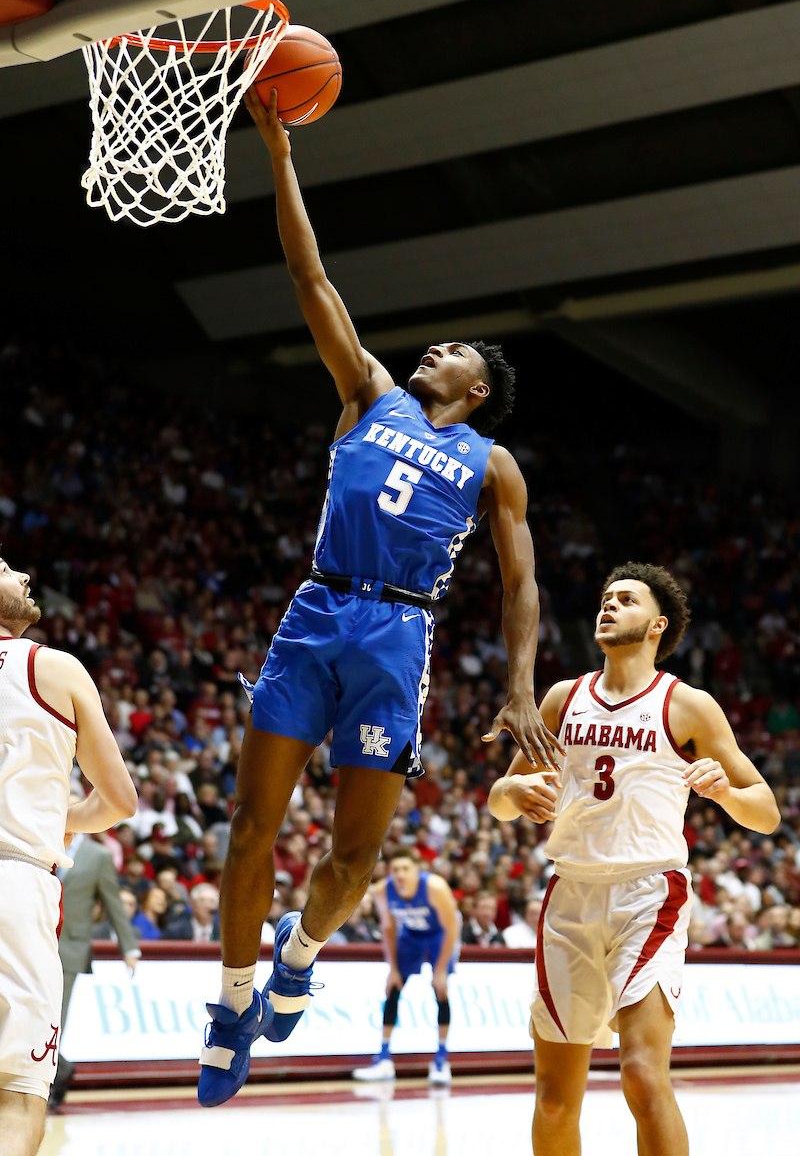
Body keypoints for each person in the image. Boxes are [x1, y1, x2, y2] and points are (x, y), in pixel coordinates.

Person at [196, 86, 563, 1109]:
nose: (431, 349)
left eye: (452, 351)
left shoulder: (492, 465)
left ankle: (301, 953)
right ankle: (232, 1005)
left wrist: (521, 687)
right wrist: (278, 155)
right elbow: (308, 274)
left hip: (399, 635)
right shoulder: (367, 391)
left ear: (476, 389)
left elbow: (522, 581)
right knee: (250, 826)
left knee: (353, 860)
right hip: (317, 611)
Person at [488, 562, 780, 1156]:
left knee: (644, 1077)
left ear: (657, 625)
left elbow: (766, 811)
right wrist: (513, 791)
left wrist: (725, 792)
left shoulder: (688, 705)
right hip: (569, 895)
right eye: (606, 597)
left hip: (649, 894)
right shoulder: (562, 698)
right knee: (554, 1102)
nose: (610, 605)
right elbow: (498, 800)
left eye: (626, 599)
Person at [0, 558, 137, 1156]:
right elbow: (120, 800)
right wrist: (59, 818)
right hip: (14, 883)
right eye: (5, 569)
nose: (24, 576)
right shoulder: (53, 667)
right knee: (18, 1097)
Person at [51, 828, 141, 1110]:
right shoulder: (40, 842)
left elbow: (113, 901)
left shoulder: (98, 855)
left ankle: (49, 1081)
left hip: (70, 947)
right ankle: (61, 1068)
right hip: (33, 942)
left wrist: (129, 948)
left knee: (54, 1021)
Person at [353, 848, 460, 1086]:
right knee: (393, 987)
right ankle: (383, 1060)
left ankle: (441, 1060)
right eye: (395, 869)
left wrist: (440, 971)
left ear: (416, 870)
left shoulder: (435, 887)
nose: (400, 874)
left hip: (440, 934)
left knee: (441, 989)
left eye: (405, 869)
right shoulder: (382, 890)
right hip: (411, 934)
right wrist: (392, 968)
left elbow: (451, 928)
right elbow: (388, 928)